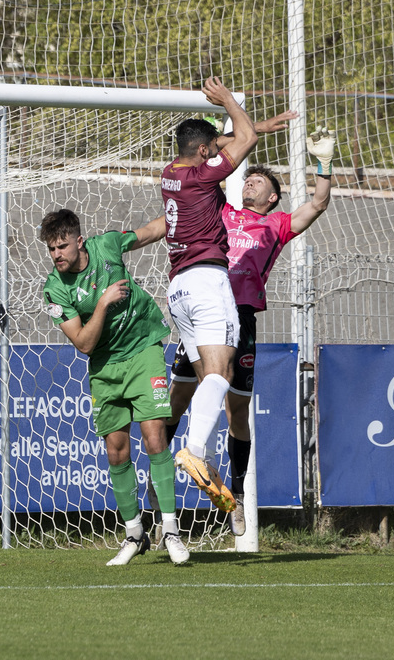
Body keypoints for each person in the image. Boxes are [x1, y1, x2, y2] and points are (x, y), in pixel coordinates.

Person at [167, 126, 334, 536]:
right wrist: (244, 129)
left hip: (239, 318)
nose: (251, 181)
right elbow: (208, 154)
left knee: (236, 410)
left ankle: (237, 497)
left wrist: (324, 164)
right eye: (248, 178)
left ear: (273, 197)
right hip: (205, 307)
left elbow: (319, 202)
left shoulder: (276, 226)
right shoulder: (220, 209)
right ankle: (161, 493)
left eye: (259, 180)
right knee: (176, 400)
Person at [39, 208, 190, 566]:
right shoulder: (55, 289)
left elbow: (151, 231)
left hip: (144, 350)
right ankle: (134, 534)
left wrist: (188, 209)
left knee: (155, 436)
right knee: (116, 452)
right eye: (51, 249)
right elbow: (85, 343)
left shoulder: (107, 245)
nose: (57, 255)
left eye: (62, 246)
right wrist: (104, 303)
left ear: (79, 241)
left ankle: (170, 530)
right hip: (105, 364)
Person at [159, 77, 266, 513]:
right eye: (211, 149)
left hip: (177, 288)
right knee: (221, 377)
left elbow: (225, 139)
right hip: (207, 281)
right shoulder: (206, 175)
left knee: (205, 379)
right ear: (205, 152)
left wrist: (247, 124)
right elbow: (247, 137)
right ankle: (195, 450)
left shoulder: (170, 172)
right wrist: (226, 101)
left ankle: (191, 478)